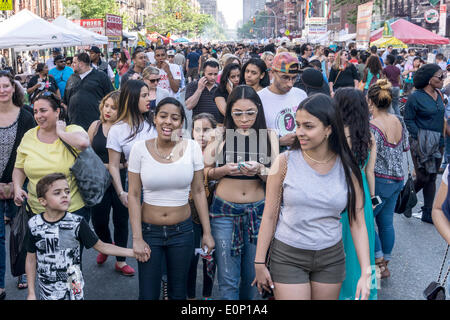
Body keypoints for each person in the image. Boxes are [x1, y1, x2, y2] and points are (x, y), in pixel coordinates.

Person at [252, 93, 371, 300]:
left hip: (331, 257)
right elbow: (269, 215)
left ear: (329, 129)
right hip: (288, 254)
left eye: (308, 126)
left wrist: (366, 272)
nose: (300, 132)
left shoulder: (348, 167)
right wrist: (259, 262)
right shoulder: (284, 162)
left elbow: (358, 221)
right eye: (297, 125)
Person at [128, 97, 215, 300]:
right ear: (155, 119)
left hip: (182, 232)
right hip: (150, 233)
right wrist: (137, 238)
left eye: (175, 118)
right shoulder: (139, 149)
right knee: (148, 294)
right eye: (163, 116)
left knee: (178, 293)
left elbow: (199, 191)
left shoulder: (192, 147)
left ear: (181, 123)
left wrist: (207, 232)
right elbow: (133, 194)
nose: (168, 122)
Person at [204, 85, 278, 300]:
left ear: (258, 110)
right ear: (229, 113)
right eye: (237, 113)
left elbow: (276, 177)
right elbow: (205, 172)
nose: (244, 118)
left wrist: (260, 170)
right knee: (227, 279)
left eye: (250, 113)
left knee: (253, 278)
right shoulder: (219, 134)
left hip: (259, 213)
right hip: (224, 213)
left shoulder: (269, 135)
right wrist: (224, 170)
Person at [25, 173, 137, 300]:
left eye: (67, 191)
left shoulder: (76, 223)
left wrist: (133, 252)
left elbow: (102, 247)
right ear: (42, 201)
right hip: (47, 292)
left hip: (74, 290)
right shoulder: (34, 225)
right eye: (57, 193)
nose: (64, 195)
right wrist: (31, 292)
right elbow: (30, 259)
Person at [13, 91, 90, 219]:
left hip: (71, 211)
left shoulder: (71, 131)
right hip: (36, 212)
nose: (38, 116)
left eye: (43, 110)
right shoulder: (29, 136)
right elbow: (19, 168)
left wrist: (60, 132)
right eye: (36, 112)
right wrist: (17, 187)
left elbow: (83, 143)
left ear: (57, 112)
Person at [334, 88, 377, 300]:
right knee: (362, 248)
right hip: (363, 196)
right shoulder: (368, 136)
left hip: (339, 192)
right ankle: (364, 291)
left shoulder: (334, 135)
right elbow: (369, 172)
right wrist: (372, 200)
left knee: (339, 247)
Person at [86, 91, 135, 276]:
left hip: (120, 179)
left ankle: (121, 262)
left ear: (122, 110)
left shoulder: (127, 128)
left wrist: (120, 165)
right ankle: (106, 246)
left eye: (114, 108)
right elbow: (87, 154)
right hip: (98, 181)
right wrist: (108, 165)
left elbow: (131, 158)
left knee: (121, 221)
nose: (108, 110)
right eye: (106, 105)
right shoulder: (95, 125)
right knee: (99, 221)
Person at [367, 79, 410, 280]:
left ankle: (379, 263)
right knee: (386, 223)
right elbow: (405, 147)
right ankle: (386, 264)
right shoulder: (398, 121)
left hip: (379, 181)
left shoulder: (371, 126)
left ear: (370, 101)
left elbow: (369, 160)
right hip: (398, 179)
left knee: (367, 221)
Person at [0, 71, 35, 297]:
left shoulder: (26, 116)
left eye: (5, 86)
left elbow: (30, 152)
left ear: (14, 88)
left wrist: (15, 183)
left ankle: (22, 271)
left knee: (20, 232)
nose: (1, 90)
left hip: (19, 184)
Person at [106, 80, 157, 211]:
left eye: (148, 95)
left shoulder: (155, 121)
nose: (149, 99)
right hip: (136, 184)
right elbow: (113, 165)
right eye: (144, 96)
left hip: (160, 179)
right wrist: (121, 192)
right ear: (132, 99)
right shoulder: (117, 130)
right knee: (141, 225)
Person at [404, 64, 445, 224]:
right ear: (430, 79)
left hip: (438, 142)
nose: (443, 79)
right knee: (422, 177)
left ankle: (428, 212)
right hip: (421, 141)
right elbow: (408, 120)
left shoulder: (439, 94)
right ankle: (405, 199)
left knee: (432, 176)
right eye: (440, 76)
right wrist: (421, 137)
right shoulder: (415, 97)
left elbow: (441, 118)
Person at [187, 113, 217, 300]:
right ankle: (189, 297)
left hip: (215, 212)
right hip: (190, 212)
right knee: (191, 257)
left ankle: (207, 296)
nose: (201, 134)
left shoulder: (221, 154)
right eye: (197, 130)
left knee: (210, 256)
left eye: (206, 130)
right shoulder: (185, 151)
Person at [257, 52, 307, 149]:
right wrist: (278, 142)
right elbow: (253, 134)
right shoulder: (259, 98)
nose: (290, 84)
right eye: (285, 77)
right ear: (272, 73)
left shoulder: (301, 95)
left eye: (294, 78)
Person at [63, 52, 114, 131]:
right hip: (74, 126)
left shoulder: (101, 76)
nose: (72, 64)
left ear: (81, 64)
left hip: (95, 125)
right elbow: (66, 101)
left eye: (74, 62)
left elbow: (111, 97)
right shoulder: (71, 78)